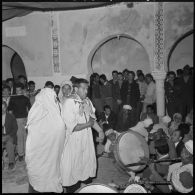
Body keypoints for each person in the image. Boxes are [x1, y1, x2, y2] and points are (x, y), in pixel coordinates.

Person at [60, 78, 104, 192]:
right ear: (76, 89)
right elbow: (72, 127)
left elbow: (92, 119)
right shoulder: (69, 102)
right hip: (74, 140)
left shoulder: (87, 101)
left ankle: (85, 186)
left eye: (87, 88)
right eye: (83, 88)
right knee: (74, 164)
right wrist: (88, 124)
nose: (86, 91)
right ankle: (72, 187)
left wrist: (99, 130)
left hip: (86, 138)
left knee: (86, 161)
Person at [25, 87, 66, 193]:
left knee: (47, 175)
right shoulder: (39, 111)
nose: (55, 100)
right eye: (53, 98)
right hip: (41, 155)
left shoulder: (53, 111)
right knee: (43, 176)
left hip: (51, 155)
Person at [8, 83, 31, 162]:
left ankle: (26, 152)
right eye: (16, 90)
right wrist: (11, 121)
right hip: (16, 120)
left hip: (25, 119)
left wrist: (28, 119)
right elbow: (10, 111)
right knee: (20, 137)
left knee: (26, 136)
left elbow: (29, 110)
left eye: (19, 90)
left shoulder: (25, 98)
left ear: (22, 90)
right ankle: (21, 154)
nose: (18, 91)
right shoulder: (13, 98)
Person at [2, 101, 18, 170]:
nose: (2, 109)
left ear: (6, 108)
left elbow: (15, 128)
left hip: (10, 135)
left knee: (9, 144)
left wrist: (8, 136)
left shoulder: (11, 116)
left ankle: (11, 162)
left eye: (4, 107)